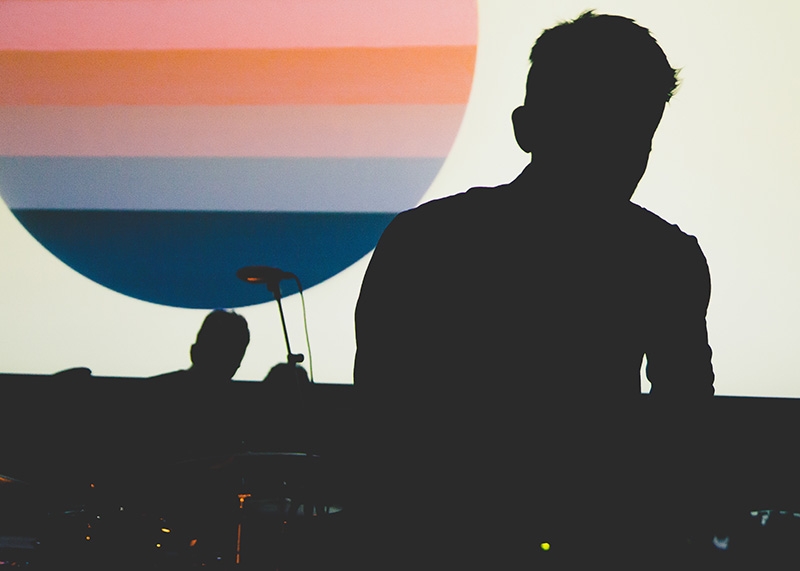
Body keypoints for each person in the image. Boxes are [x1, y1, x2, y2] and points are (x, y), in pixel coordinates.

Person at [353, 11, 714, 568]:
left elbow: (382, 426)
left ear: (525, 128)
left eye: (631, 136)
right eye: (607, 132)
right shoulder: (666, 259)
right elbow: (684, 429)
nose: (620, 157)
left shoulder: (425, 241)